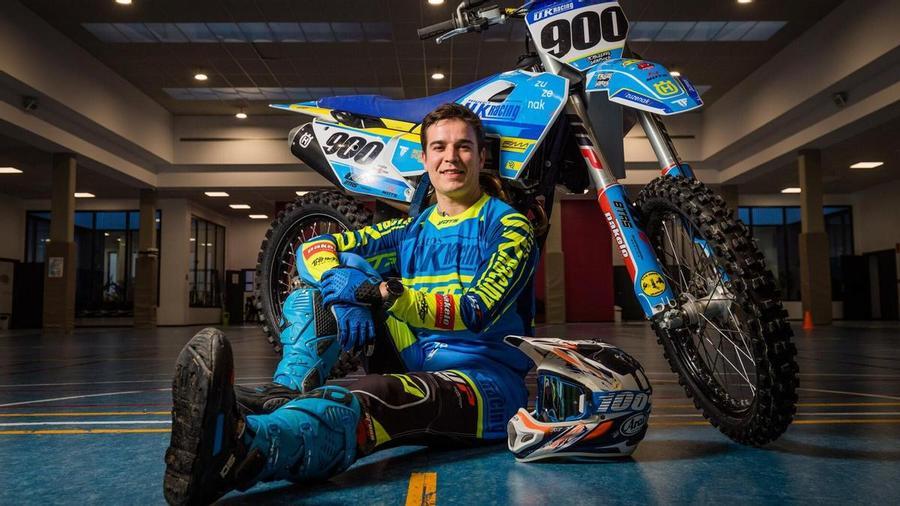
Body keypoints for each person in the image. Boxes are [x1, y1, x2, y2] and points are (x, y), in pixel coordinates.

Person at [163, 103, 538, 505]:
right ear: (423, 158)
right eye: (439, 147)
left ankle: (245, 451)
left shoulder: (509, 226)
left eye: (463, 147)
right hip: (417, 356)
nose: (451, 157)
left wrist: (375, 293)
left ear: (481, 157)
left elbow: (474, 312)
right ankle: (288, 392)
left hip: (484, 384)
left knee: (377, 393)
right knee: (317, 291)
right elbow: (313, 249)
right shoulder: (411, 229)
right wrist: (343, 290)